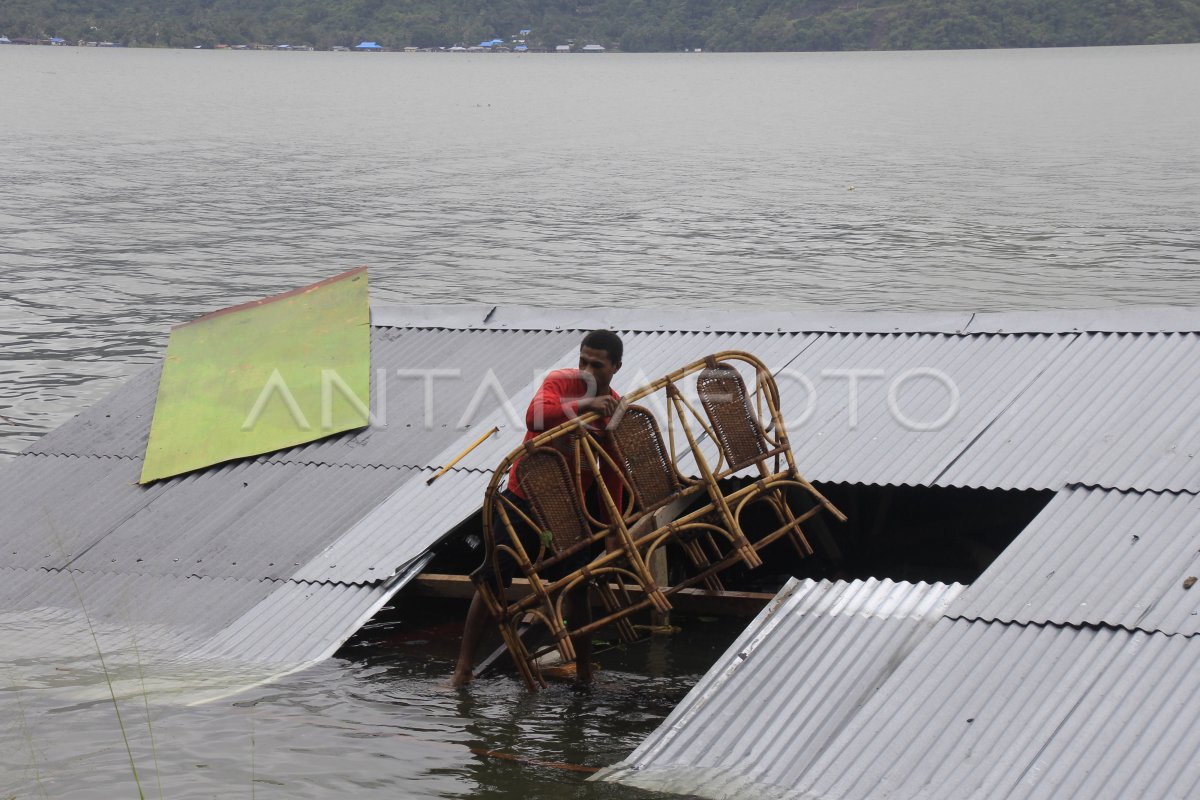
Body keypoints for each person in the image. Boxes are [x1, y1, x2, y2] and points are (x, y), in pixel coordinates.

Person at [451, 329, 624, 687]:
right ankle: (463, 671)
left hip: (568, 506)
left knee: (577, 587)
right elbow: (535, 417)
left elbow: (613, 473)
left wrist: (612, 531)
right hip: (524, 495)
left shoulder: (615, 410)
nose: (587, 370)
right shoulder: (560, 383)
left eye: (597, 365)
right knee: (493, 580)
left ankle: (585, 674)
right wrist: (586, 405)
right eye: (583, 361)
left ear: (616, 367)